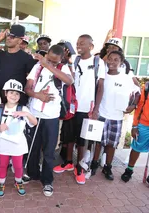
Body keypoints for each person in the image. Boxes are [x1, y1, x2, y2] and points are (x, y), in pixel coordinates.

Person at [53, 35, 106, 185]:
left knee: (82, 139)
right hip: (72, 105)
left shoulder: (98, 62)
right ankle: (69, 162)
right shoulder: (74, 61)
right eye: (77, 43)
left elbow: (101, 86)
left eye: (82, 43)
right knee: (69, 136)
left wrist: (96, 109)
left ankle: (80, 167)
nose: (79, 45)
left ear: (91, 45)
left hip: (87, 108)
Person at [24, 45, 73, 196]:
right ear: (47, 54)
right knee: (33, 146)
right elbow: (27, 88)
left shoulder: (63, 68)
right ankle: (32, 173)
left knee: (49, 151)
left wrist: (49, 66)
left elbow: (69, 81)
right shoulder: (37, 67)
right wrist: (38, 95)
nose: (51, 62)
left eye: (55, 61)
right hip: (35, 114)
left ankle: (47, 181)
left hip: (51, 116)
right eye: (49, 59)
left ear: (60, 59)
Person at [90, 51, 134, 180]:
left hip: (117, 117)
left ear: (121, 63)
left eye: (116, 60)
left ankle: (107, 167)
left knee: (111, 145)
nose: (112, 62)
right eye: (110, 59)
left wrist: (132, 106)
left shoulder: (125, 78)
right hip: (102, 114)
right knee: (98, 143)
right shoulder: (101, 76)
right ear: (106, 60)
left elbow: (136, 93)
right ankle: (94, 164)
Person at [0, 79, 37, 198]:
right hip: (4, 143)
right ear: (5, 93)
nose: (14, 95)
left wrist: (26, 114)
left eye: (17, 93)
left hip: (18, 144)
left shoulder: (23, 108)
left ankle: (18, 181)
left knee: (18, 165)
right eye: (11, 92)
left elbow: (35, 122)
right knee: (3, 165)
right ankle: (1, 183)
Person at [0, 24, 36, 102]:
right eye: (8, 35)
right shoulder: (0, 55)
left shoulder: (27, 58)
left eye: (12, 37)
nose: (8, 38)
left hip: (18, 101)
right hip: (2, 100)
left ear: (20, 40)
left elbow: (30, 83)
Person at [121, 81, 149, 182]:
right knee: (137, 148)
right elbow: (138, 108)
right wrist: (135, 126)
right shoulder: (146, 88)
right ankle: (129, 170)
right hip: (144, 124)